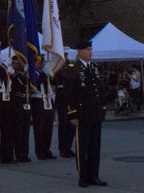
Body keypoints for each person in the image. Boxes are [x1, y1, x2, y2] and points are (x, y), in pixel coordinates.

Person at [63, 38, 107, 189]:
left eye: (91, 49)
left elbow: (99, 91)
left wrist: (102, 109)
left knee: (95, 147)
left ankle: (94, 176)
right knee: (83, 147)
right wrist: (72, 114)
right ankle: (83, 177)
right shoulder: (72, 69)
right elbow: (69, 94)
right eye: (87, 50)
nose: (90, 52)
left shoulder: (94, 67)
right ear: (79, 52)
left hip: (95, 113)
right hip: (82, 115)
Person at [31, 55, 56, 160]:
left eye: (43, 62)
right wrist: (43, 74)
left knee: (48, 128)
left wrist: (52, 76)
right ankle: (40, 151)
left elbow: (55, 83)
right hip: (38, 100)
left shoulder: (46, 73)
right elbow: (36, 84)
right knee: (39, 128)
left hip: (48, 100)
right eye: (40, 62)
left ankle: (47, 149)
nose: (42, 64)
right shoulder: (34, 74)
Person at [9, 55, 31, 163]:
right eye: (17, 63)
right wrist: (24, 74)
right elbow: (19, 82)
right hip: (16, 101)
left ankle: (24, 154)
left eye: (20, 64)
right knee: (18, 129)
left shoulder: (25, 74)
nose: (19, 66)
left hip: (26, 101)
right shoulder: (13, 75)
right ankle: (18, 154)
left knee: (25, 129)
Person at [55, 55, 76, 158]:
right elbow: (56, 82)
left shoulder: (70, 69)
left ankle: (68, 147)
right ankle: (62, 149)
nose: (66, 59)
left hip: (70, 100)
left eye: (67, 56)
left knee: (71, 125)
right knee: (63, 125)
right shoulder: (57, 70)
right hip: (62, 100)